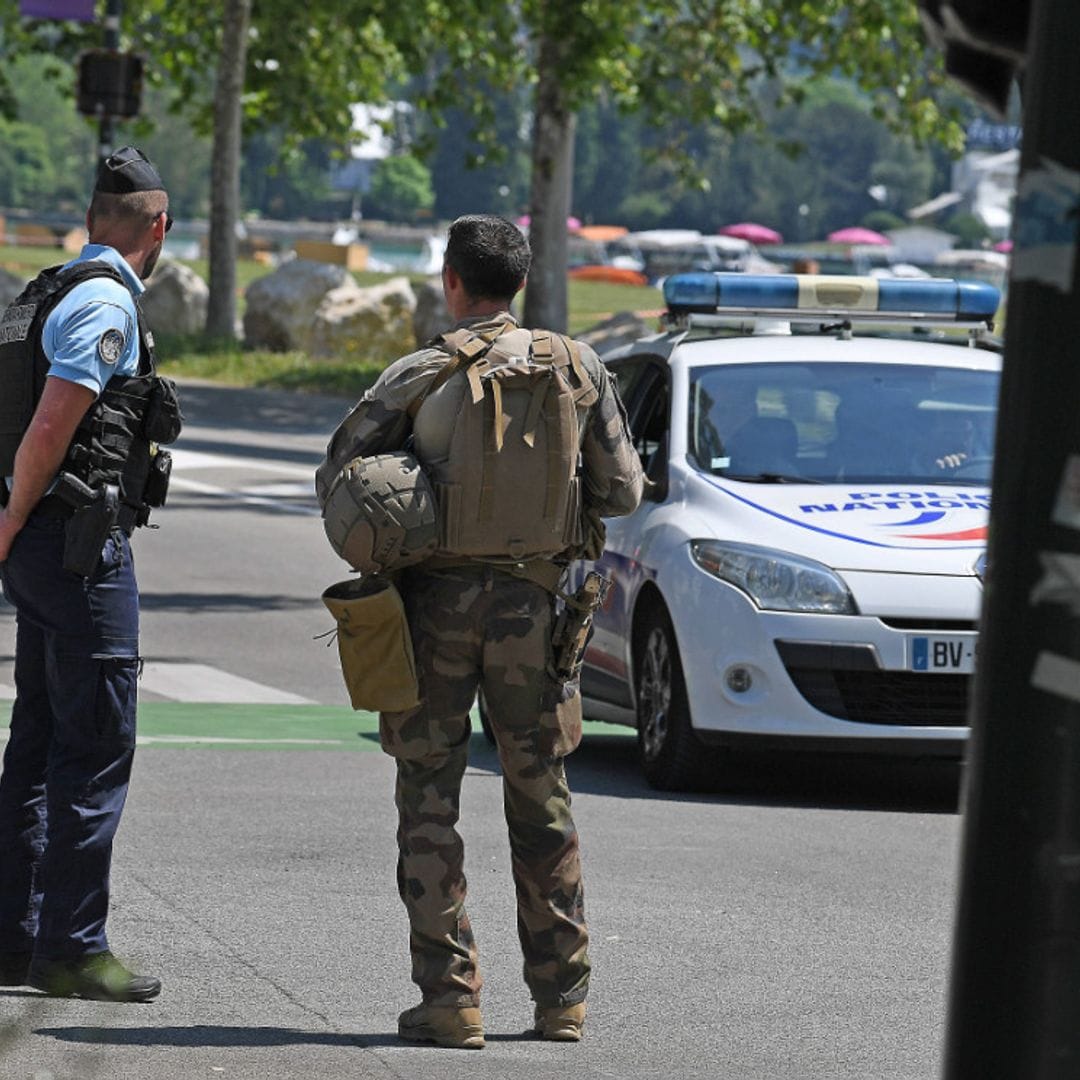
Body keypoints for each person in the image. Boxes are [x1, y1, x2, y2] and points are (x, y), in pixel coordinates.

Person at [316, 214, 643, 1048]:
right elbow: (625, 493)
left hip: (432, 614)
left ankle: (451, 997)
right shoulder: (580, 368)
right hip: (539, 616)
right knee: (544, 800)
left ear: (452, 281)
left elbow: (340, 470)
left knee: (429, 797)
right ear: (521, 285)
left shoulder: (422, 372)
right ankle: (562, 999)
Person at [0, 146, 181, 1002]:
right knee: (95, 742)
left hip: (41, 542)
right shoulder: (106, 301)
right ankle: (72, 945)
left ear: (90, 218)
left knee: (37, 737)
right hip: (73, 543)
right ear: (159, 226)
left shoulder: (50, 288)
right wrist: (10, 518)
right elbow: (50, 424)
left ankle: (18, 936)